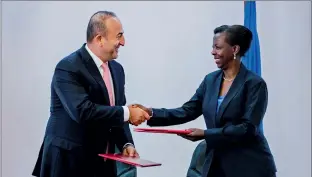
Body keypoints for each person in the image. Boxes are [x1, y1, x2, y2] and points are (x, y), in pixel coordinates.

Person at [132, 25, 277, 177]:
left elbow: (247, 129)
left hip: (250, 166)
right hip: (216, 164)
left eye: (218, 47)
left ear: (234, 49)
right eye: (213, 47)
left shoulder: (255, 84)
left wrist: (206, 134)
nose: (213, 52)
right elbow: (187, 110)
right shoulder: (210, 80)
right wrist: (151, 113)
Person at [32, 11, 150, 177]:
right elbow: (83, 111)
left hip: (102, 163)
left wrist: (125, 143)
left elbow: (117, 113)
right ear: (99, 39)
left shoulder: (117, 70)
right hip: (68, 164)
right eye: (119, 36)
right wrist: (129, 112)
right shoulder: (68, 67)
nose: (123, 42)